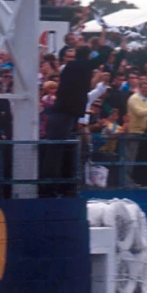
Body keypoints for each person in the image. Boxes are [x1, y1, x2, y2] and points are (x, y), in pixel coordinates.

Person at [43, 44, 98, 195]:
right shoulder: (76, 67)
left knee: (65, 151)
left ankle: (63, 187)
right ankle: (51, 188)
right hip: (64, 115)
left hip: (68, 115)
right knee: (56, 152)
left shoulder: (72, 69)